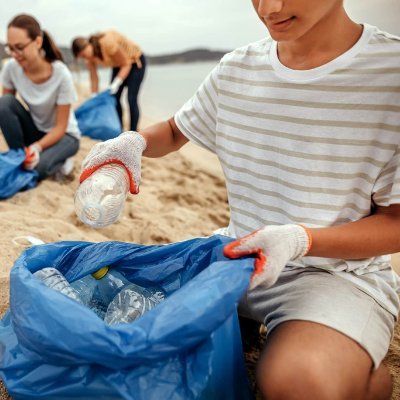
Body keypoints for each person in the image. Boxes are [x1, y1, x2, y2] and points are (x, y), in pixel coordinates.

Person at [78, 1, 400, 398]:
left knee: (295, 383)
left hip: (334, 276)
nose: (270, 7)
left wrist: (300, 239)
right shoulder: (236, 68)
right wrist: (133, 143)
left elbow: (395, 223)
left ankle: (360, 371)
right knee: (121, 325)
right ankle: (251, 329)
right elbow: (178, 131)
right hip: (237, 256)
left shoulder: (391, 74)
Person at [0, 14, 80, 180]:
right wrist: (28, 151)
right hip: (37, 130)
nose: (14, 54)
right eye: (10, 48)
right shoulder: (11, 69)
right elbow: (6, 111)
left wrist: (36, 148)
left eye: (20, 47)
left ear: (37, 42)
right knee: (4, 103)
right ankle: (20, 156)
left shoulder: (61, 74)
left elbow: (60, 127)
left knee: (38, 169)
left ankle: (61, 160)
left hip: (65, 136)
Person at [71, 31, 146, 131]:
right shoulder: (89, 59)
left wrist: (116, 83)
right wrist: (94, 95)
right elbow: (94, 78)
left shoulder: (107, 42)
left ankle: (134, 131)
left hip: (134, 62)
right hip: (118, 65)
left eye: (84, 55)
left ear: (87, 45)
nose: (85, 58)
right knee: (114, 98)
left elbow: (126, 64)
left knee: (131, 99)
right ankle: (120, 130)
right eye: (82, 57)